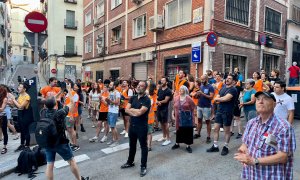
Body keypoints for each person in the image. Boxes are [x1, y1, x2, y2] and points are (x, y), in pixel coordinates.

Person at [234, 91, 296, 180]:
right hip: (250, 174)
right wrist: (243, 149)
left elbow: (283, 157)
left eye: (265, 99)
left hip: (271, 176)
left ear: (274, 104)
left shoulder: (283, 127)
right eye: (258, 99)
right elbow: (245, 143)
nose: (260, 101)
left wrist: (253, 161)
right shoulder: (251, 123)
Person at [42, 96, 87, 180]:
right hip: (60, 142)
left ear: (45, 106)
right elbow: (70, 105)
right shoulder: (59, 113)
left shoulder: (43, 112)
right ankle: (79, 179)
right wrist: (71, 97)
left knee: (49, 165)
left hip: (48, 143)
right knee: (71, 161)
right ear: (56, 105)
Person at [121, 81, 151, 177]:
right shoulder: (133, 97)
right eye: (138, 85)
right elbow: (126, 110)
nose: (138, 87)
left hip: (142, 127)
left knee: (143, 146)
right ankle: (130, 162)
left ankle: (143, 166)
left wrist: (132, 111)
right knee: (132, 145)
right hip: (132, 125)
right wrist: (134, 111)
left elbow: (139, 113)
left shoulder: (147, 100)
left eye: (141, 86)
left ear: (145, 88)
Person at [207, 74, 238, 156]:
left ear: (234, 81)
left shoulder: (233, 90)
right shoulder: (223, 88)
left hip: (227, 112)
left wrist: (218, 99)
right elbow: (217, 96)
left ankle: (226, 147)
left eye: (230, 79)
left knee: (227, 131)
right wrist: (218, 99)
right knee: (216, 128)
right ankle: (215, 146)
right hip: (219, 111)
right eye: (227, 78)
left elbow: (225, 98)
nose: (227, 79)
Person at [9, 83, 33, 152]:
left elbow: (21, 106)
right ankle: (22, 144)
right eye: (18, 86)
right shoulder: (20, 95)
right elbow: (16, 106)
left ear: (24, 89)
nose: (18, 88)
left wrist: (13, 100)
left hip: (26, 115)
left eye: (20, 87)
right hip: (20, 114)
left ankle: (27, 146)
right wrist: (11, 103)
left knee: (26, 130)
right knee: (22, 130)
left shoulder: (27, 96)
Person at [172, 85, 195, 153]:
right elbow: (174, 106)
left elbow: (193, 107)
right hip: (178, 117)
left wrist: (192, 116)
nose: (180, 91)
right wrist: (173, 113)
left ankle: (188, 145)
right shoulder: (176, 98)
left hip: (187, 117)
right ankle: (177, 143)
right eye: (179, 89)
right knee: (178, 130)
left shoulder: (188, 98)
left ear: (185, 90)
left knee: (187, 130)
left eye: (182, 89)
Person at [194, 75, 214, 143]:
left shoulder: (210, 87)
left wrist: (202, 93)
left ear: (206, 79)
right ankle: (198, 133)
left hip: (206, 106)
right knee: (199, 120)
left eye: (203, 79)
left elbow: (211, 97)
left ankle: (208, 136)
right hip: (199, 105)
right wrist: (197, 95)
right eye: (201, 79)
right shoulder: (201, 86)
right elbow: (200, 96)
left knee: (207, 121)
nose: (201, 81)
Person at [156, 77, 172, 146]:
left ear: (166, 82)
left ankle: (168, 139)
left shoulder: (168, 90)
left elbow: (166, 100)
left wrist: (159, 102)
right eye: (161, 80)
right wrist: (157, 101)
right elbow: (157, 97)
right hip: (159, 108)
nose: (161, 82)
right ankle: (164, 136)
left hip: (165, 109)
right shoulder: (159, 89)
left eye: (163, 80)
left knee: (166, 124)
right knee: (161, 123)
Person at [64, 81, 80, 152]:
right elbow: (66, 102)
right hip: (66, 114)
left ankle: (75, 145)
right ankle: (72, 143)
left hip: (71, 114)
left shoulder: (75, 94)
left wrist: (71, 115)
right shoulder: (69, 93)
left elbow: (73, 104)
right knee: (69, 129)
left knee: (71, 129)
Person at [105, 81, 121, 147]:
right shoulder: (110, 92)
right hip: (110, 110)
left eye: (111, 85)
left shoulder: (117, 93)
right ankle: (113, 139)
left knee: (113, 126)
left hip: (114, 111)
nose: (109, 86)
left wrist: (109, 100)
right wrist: (107, 100)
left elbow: (117, 103)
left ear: (114, 86)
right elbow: (108, 103)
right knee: (111, 127)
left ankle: (116, 141)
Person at [0, 86, 8, 154]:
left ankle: (5, 146)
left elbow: (2, 109)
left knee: (4, 131)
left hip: (2, 117)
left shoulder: (5, 99)